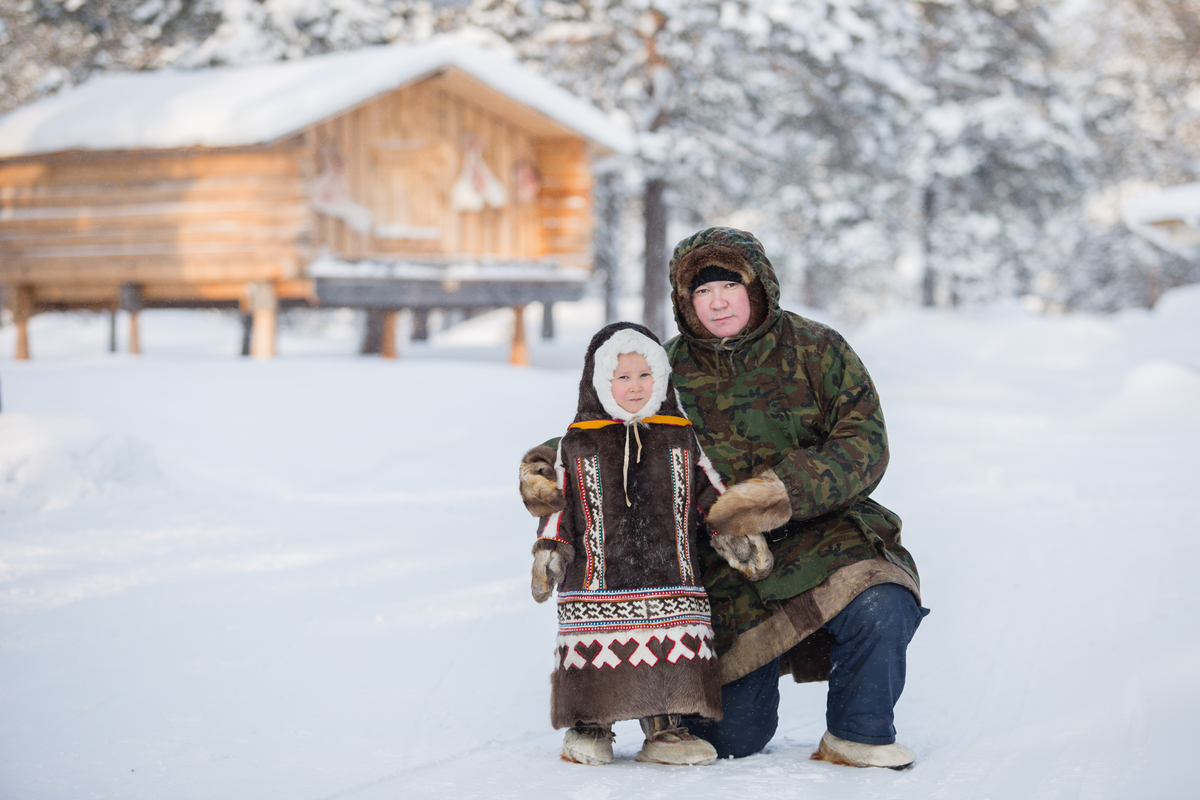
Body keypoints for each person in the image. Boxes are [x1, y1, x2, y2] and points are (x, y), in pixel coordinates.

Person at [521, 228, 927, 769]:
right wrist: (547, 464)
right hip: (721, 563)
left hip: (824, 536)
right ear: (684, 302)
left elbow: (864, 443)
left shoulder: (819, 349)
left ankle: (859, 733)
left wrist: (781, 491)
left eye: (728, 286)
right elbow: (610, 429)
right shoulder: (663, 368)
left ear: (757, 287)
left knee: (882, 600)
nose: (716, 301)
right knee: (731, 738)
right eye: (700, 292)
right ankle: (675, 710)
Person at [528, 321, 755, 767]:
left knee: (670, 652)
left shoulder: (680, 436)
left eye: (644, 375)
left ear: (661, 378)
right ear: (601, 381)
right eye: (623, 377)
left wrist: (735, 533)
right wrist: (550, 551)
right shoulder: (578, 441)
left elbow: (712, 490)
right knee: (597, 656)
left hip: (671, 576)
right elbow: (560, 503)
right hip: (596, 581)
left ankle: (666, 726)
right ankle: (591, 724)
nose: (635, 386)